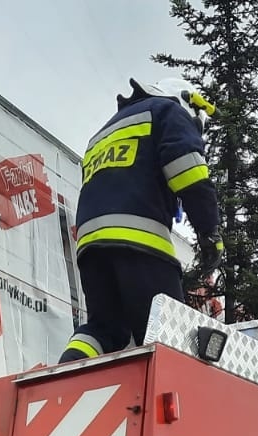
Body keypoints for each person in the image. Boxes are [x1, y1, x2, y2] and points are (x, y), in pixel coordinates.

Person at [59, 76, 223, 364]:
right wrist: (210, 234)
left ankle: (64, 380)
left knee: (103, 329)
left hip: (90, 245)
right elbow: (190, 174)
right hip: (140, 238)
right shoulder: (169, 111)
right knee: (167, 332)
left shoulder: (106, 130)